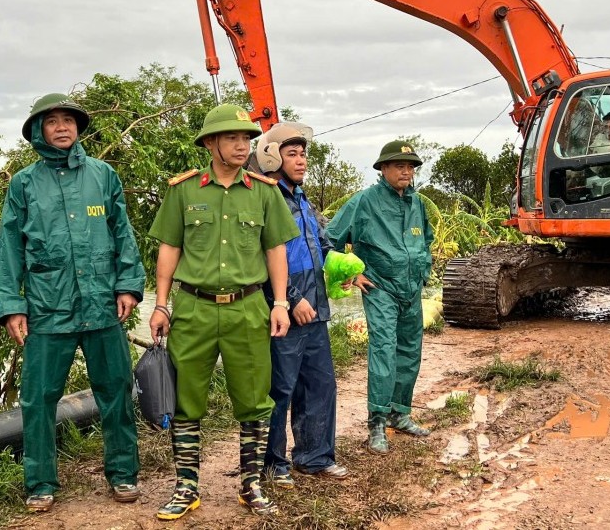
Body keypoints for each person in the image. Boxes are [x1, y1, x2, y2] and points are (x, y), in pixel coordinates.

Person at [0, 93, 145, 512]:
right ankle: (41, 482)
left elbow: (122, 234)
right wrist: (10, 305)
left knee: (116, 389)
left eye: (68, 120)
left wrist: (128, 285)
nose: (61, 127)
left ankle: (124, 473)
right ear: (39, 131)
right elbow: (10, 248)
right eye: (52, 121)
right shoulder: (23, 183)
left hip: (102, 307)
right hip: (47, 309)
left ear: (78, 128)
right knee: (38, 399)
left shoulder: (103, 175)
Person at [147, 104, 299, 520]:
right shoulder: (184, 191)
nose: (240, 145)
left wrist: (281, 302)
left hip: (248, 308)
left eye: (246, 139)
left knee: (253, 400)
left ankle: (250, 485)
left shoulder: (264, 191)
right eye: (231, 138)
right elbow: (169, 248)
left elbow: (275, 250)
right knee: (185, 400)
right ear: (210, 143)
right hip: (193, 308)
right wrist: (161, 305)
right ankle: (186, 487)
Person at [251, 122, 349, 489]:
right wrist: (291, 299)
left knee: (320, 385)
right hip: (285, 311)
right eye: (292, 153)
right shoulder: (264, 196)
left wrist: (344, 267)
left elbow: (321, 246)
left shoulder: (303, 198)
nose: (301, 160)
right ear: (271, 157)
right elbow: (263, 254)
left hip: (316, 309)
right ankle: (272, 463)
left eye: (303, 153)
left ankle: (315, 456)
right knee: (280, 389)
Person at [326, 140, 434, 454]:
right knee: (384, 351)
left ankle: (400, 414)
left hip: (411, 290)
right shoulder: (364, 202)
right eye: (399, 165)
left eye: (410, 166)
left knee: (410, 352)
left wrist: (423, 270)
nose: (406, 171)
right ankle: (376, 422)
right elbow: (330, 239)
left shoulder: (417, 204)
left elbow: (425, 240)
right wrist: (351, 275)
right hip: (380, 289)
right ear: (383, 168)